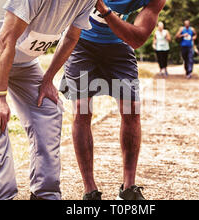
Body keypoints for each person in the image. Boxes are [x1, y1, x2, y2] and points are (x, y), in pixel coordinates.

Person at [0, 0, 97, 200]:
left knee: (49, 109)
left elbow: (71, 36)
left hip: (23, 58)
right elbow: (5, 39)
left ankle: (45, 193)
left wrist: (48, 79)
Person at [59, 0, 166, 200]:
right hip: (80, 41)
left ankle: (128, 188)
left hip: (119, 45)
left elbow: (137, 38)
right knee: (82, 110)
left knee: (132, 109)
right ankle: (90, 190)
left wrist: (105, 10)